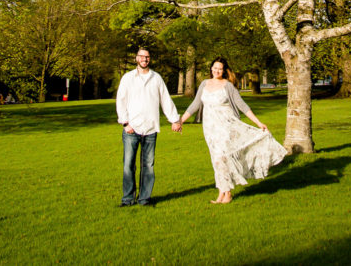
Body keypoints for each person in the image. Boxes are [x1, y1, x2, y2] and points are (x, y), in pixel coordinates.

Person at [179, 57, 286, 204]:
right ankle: (222, 192)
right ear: (211, 68)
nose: (216, 70)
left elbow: (242, 105)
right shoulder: (204, 84)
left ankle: (227, 193)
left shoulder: (228, 86)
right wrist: (180, 121)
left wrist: (258, 122)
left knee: (222, 158)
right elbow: (195, 104)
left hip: (226, 127)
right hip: (210, 129)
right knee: (216, 159)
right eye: (214, 67)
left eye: (220, 68)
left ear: (224, 71)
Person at [115, 47, 182, 207]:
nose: (144, 59)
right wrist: (125, 123)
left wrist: (174, 119)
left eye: (147, 57)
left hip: (150, 129)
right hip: (132, 129)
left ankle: (144, 199)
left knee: (148, 166)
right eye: (142, 56)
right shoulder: (128, 78)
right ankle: (128, 199)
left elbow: (165, 100)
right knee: (128, 165)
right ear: (136, 58)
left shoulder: (156, 78)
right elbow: (121, 101)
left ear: (149, 60)